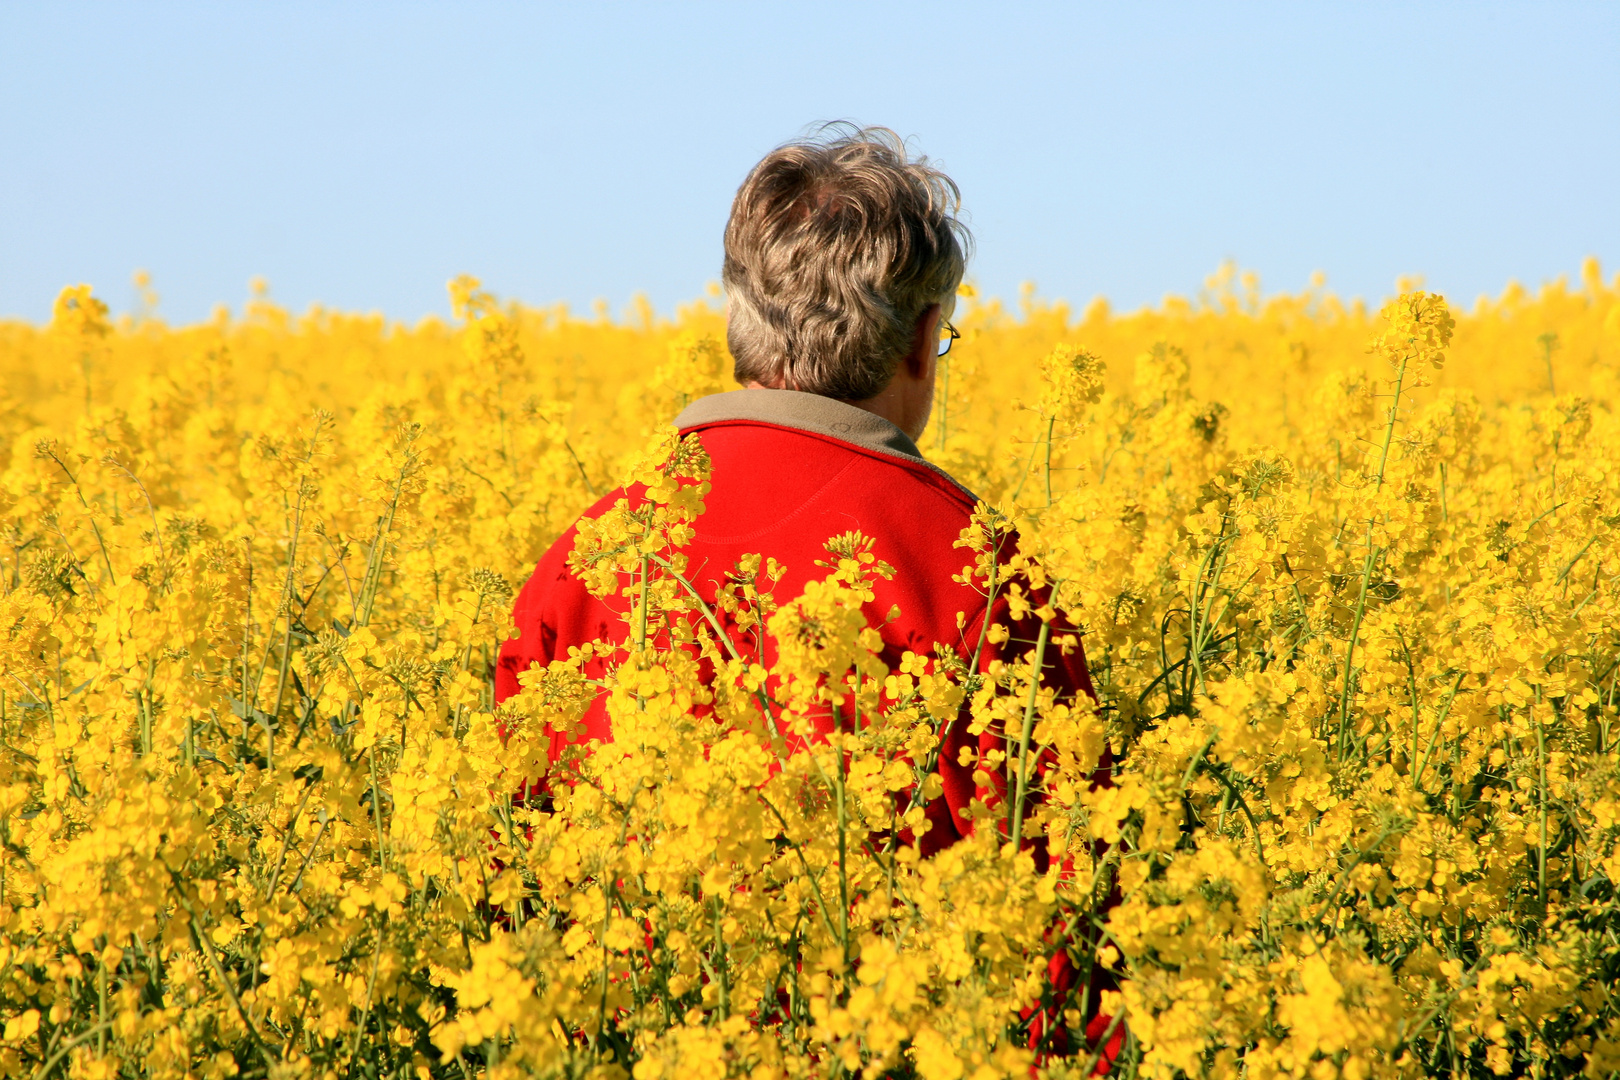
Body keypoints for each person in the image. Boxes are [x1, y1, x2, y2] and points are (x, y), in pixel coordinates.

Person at [495, 125, 1117, 1065]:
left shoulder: (582, 559)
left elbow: (512, 880)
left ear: (739, 323)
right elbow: (1066, 905)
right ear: (917, 342)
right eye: (943, 334)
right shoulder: (970, 566)